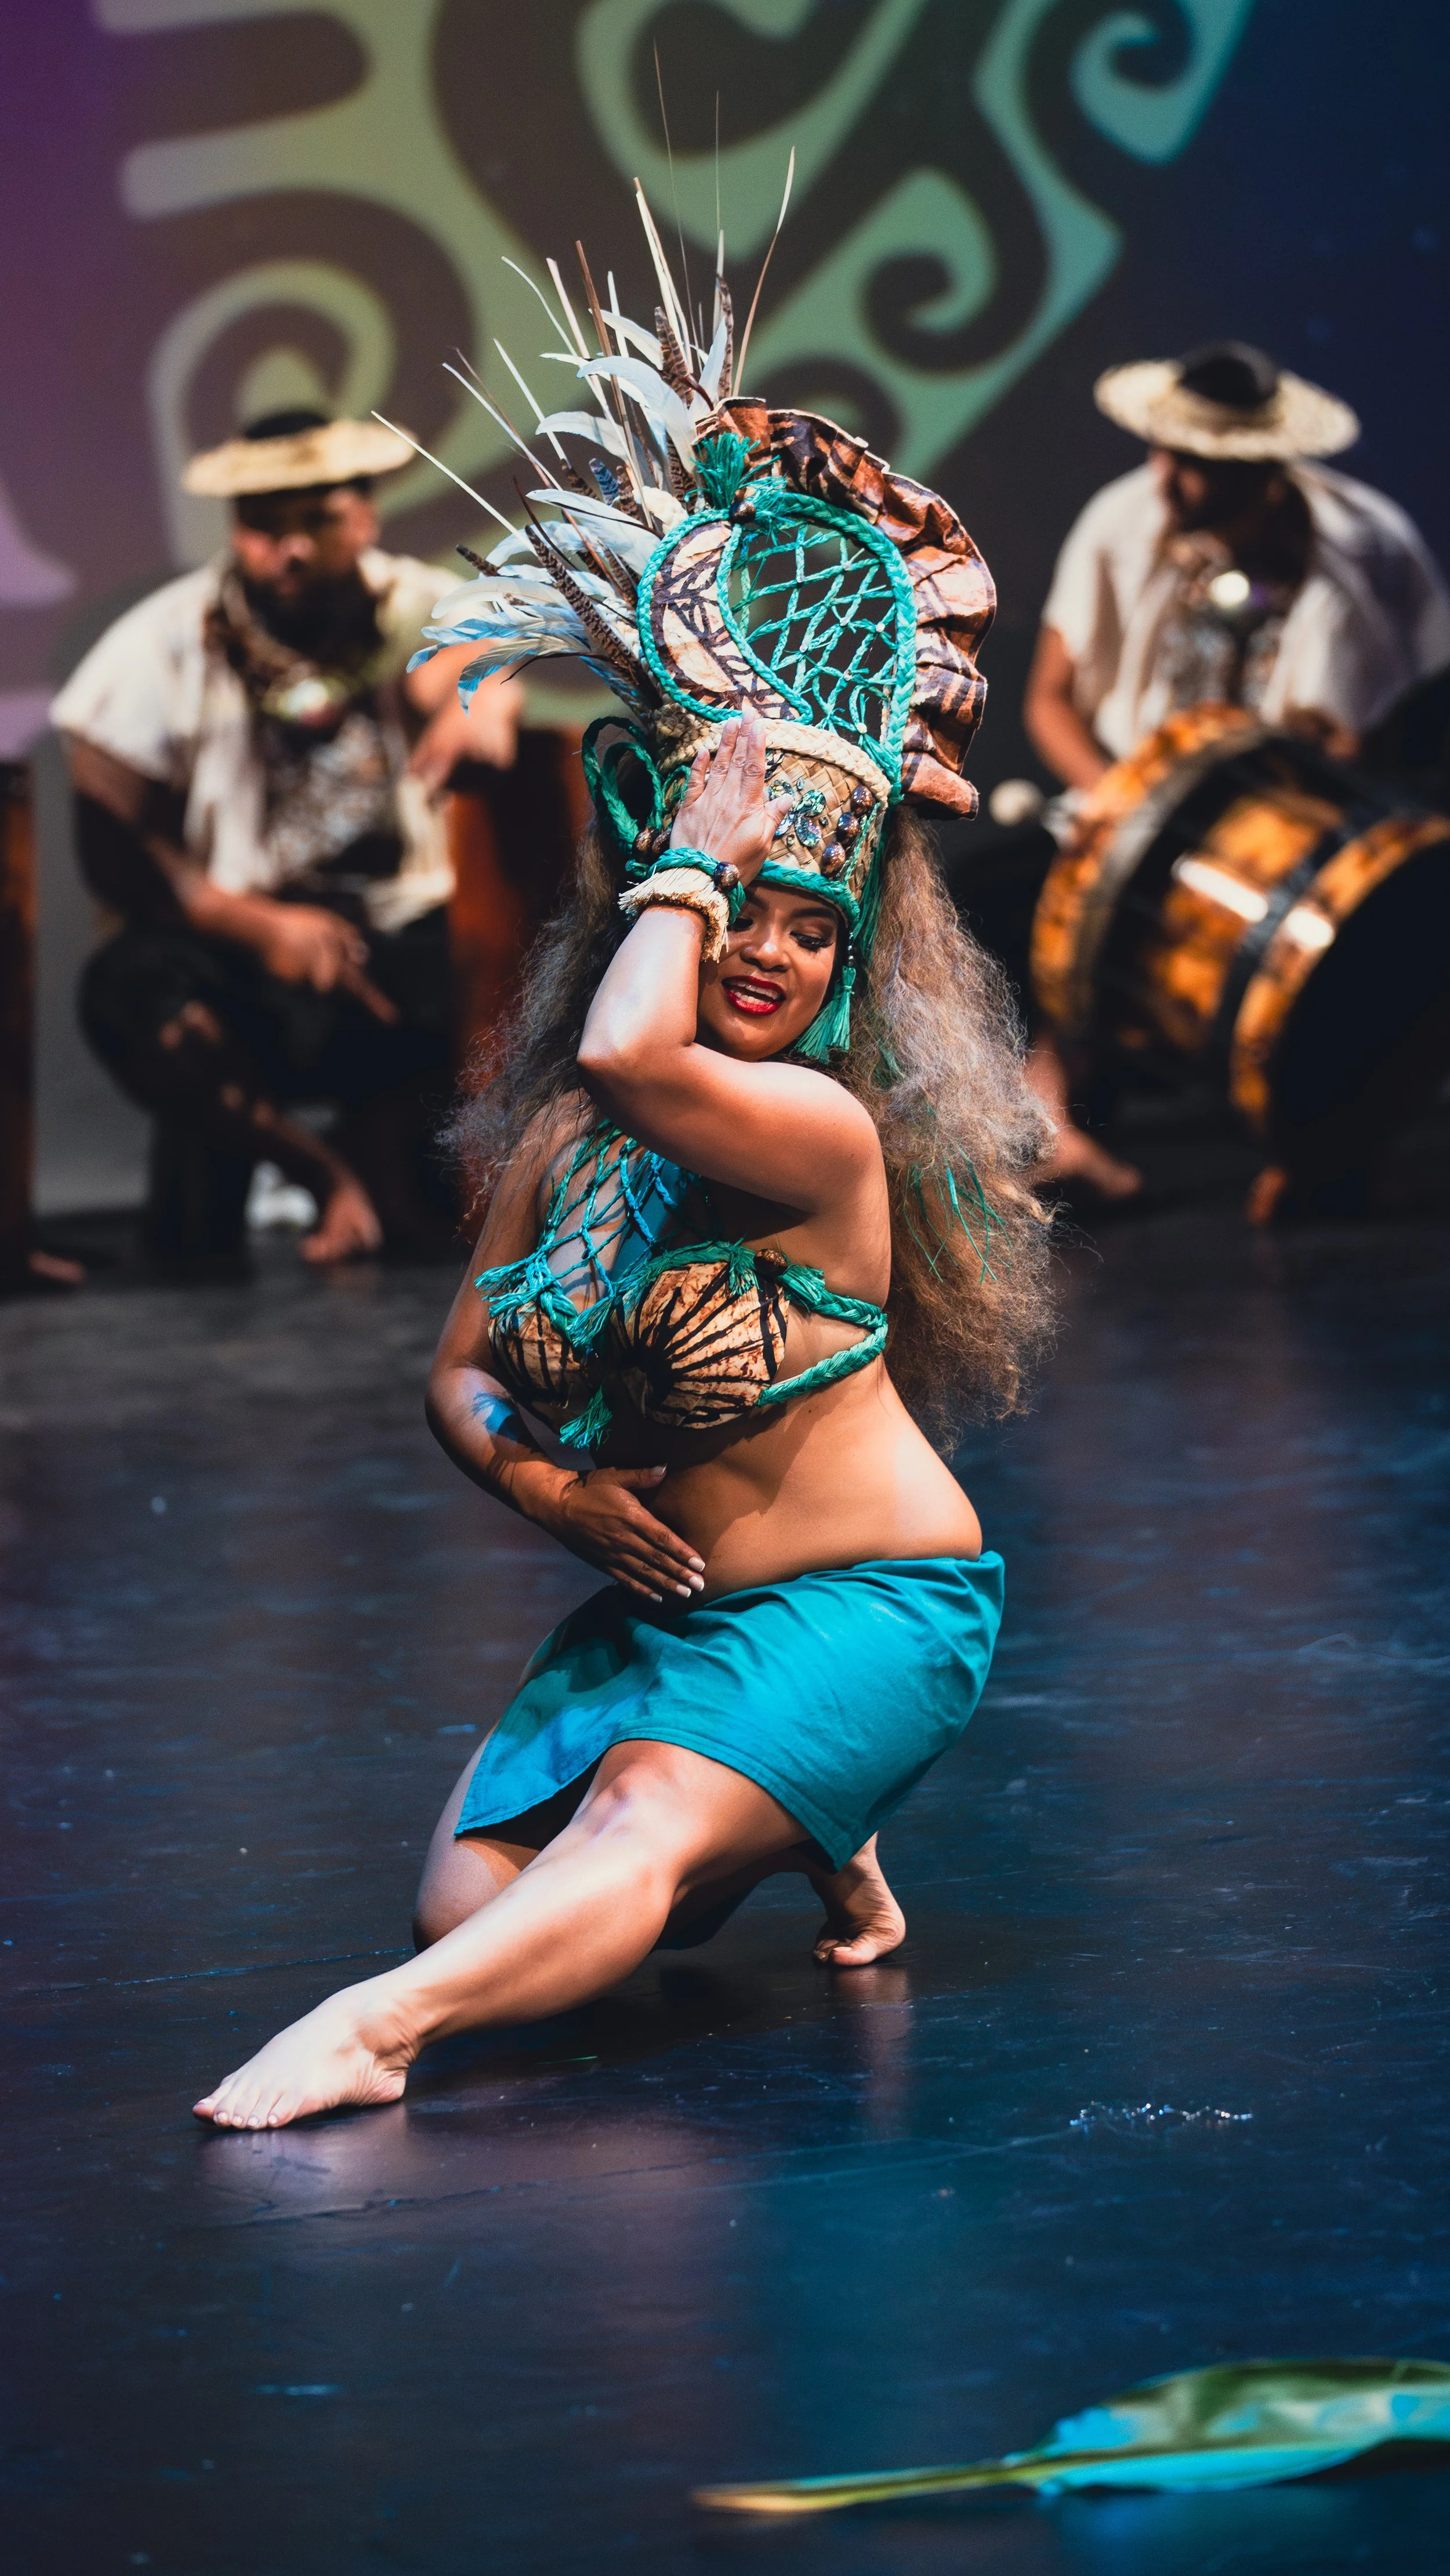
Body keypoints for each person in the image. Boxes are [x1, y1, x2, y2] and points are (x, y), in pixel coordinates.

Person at [191, 222, 1053, 2130]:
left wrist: (719, 832)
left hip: (869, 1606)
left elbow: (626, 1040)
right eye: (732, 907)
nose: (762, 946)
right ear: (655, 900)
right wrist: (546, 1483)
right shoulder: (582, 1145)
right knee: (473, 1893)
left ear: (847, 969)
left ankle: (374, 2035)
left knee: (598, 1865)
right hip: (668, 1606)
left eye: (808, 931)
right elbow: (460, 1366)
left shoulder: (815, 1138)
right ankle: (810, 1839)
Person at [52, 409, 521, 1268]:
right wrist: (258, 928)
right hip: (241, 948)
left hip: (390, 953)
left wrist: (480, 704)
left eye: (317, 521)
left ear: (365, 519)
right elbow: (108, 844)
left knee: (501, 962)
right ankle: (320, 1171)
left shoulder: (412, 604)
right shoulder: (163, 640)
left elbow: (470, 666)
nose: (292, 549)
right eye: (266, 528)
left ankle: (383, 1154)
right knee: (129, 987)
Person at [1021, 340, 1450, 1199]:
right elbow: (1048, 699)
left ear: (1263, 471)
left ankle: (1322, 1133)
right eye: (1164, 451)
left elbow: (1374, 740)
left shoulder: (1366, 551)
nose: (1166, 477)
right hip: (1120, 800)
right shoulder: (1122, 519)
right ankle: (1051, 1125)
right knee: (1024, 893)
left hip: (1282, 828)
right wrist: (1121, 816)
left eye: (1198, 463)